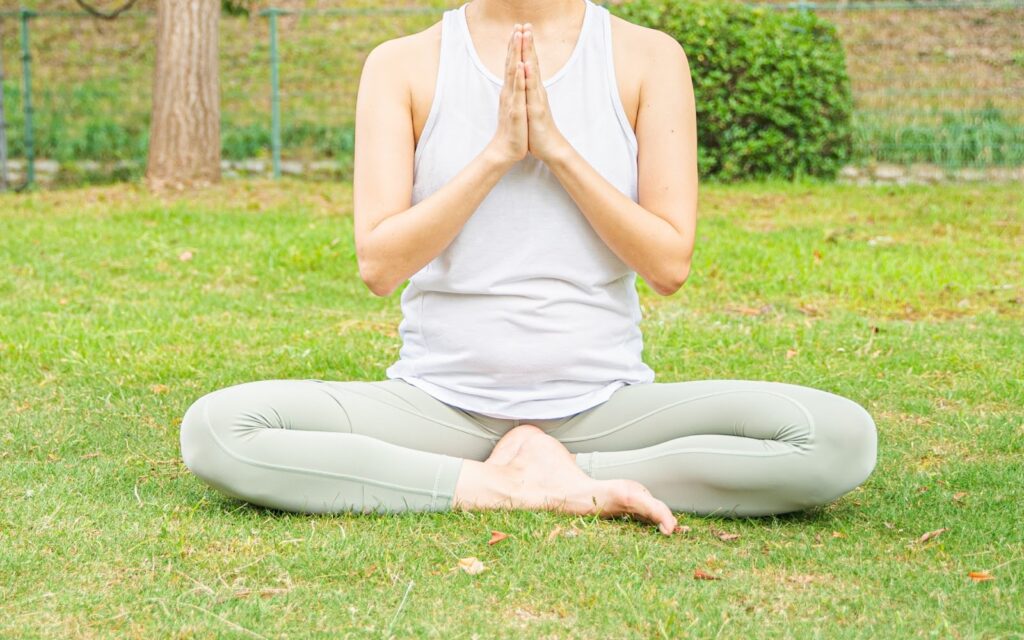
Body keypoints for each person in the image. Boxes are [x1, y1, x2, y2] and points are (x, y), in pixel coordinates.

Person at [178, 0, 877, 537]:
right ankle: (504, 484)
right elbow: (379, 263)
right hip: (437, 405)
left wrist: (558, 151)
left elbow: (668, 261)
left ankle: (558, 470)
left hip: (603, 408)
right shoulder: (402, 65)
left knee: (839, 442)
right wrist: (496, 156)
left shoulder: (646, 58)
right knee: (218, 429)